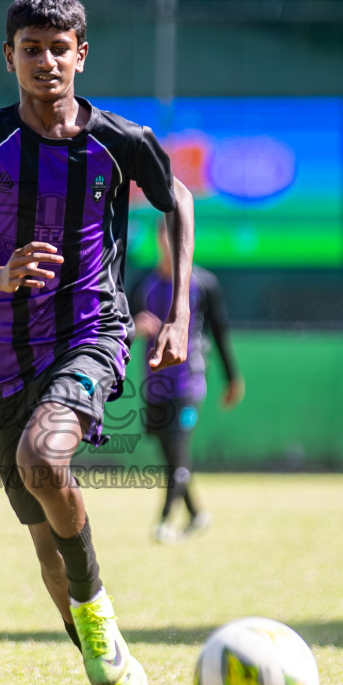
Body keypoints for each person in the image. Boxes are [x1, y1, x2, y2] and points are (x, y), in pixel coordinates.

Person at [0, 0, 195, 685]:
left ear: (82, 54)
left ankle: (99, 619)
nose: (46, 61)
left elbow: (175, 198)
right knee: (48, 551)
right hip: (5, 357)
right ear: (8, 57)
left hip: (93, 331)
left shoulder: (118, 140)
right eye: (31, 48)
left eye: (60, 47)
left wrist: (175, 314)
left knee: (43, 455)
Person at [128, 217, 243, 543]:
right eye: (164, 234)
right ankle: (198, 514)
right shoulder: (143, 285)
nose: (169, 242)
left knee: (178, 451)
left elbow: (219, 331)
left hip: (188, 383)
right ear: (157, 239)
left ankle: (164, 522)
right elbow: (121, 327)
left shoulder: (203, 283)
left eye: (177, 235)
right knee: (170, 455)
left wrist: (232, 377)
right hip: (154, 383)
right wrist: (135, 326)